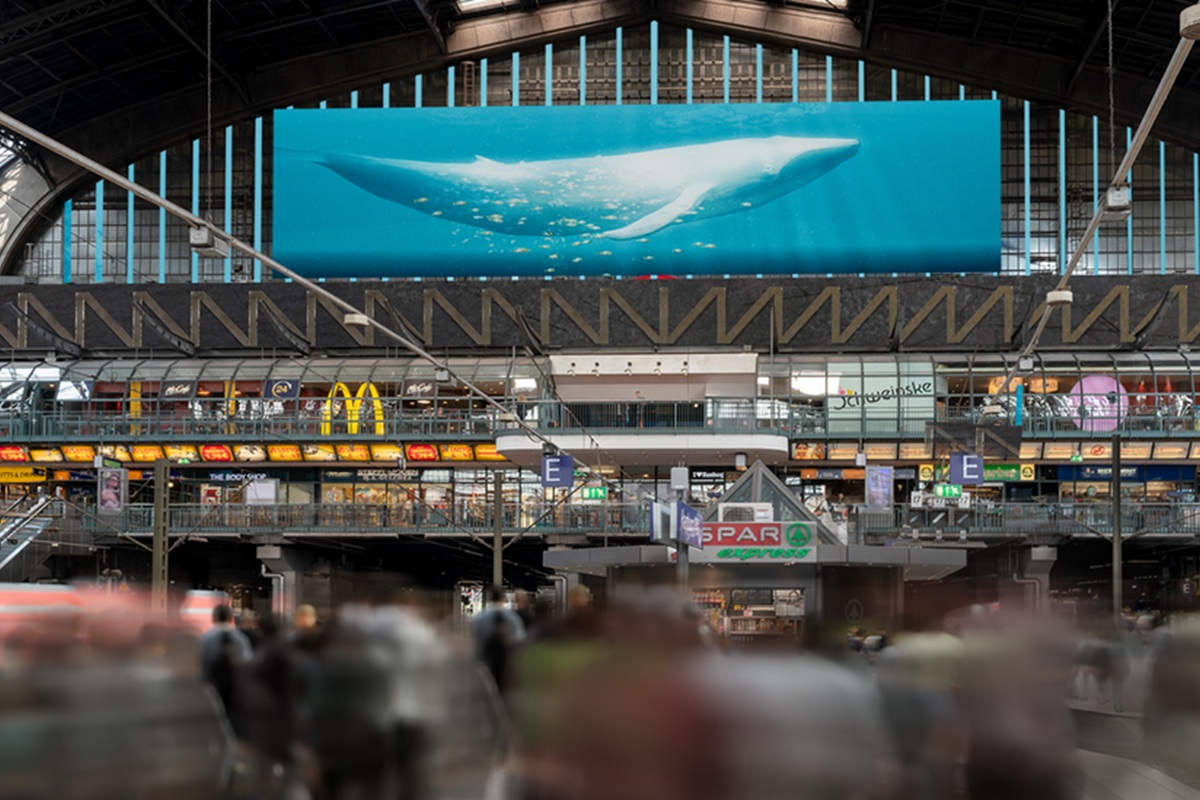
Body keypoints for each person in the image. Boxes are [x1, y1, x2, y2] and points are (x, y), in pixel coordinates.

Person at [199, 604, 253, 730]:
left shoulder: (205, 638)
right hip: (235, 685)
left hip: (212, 685)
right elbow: (247, 662)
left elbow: (202, 662)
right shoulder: (240, 638)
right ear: (231, 618)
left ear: (214, 618)